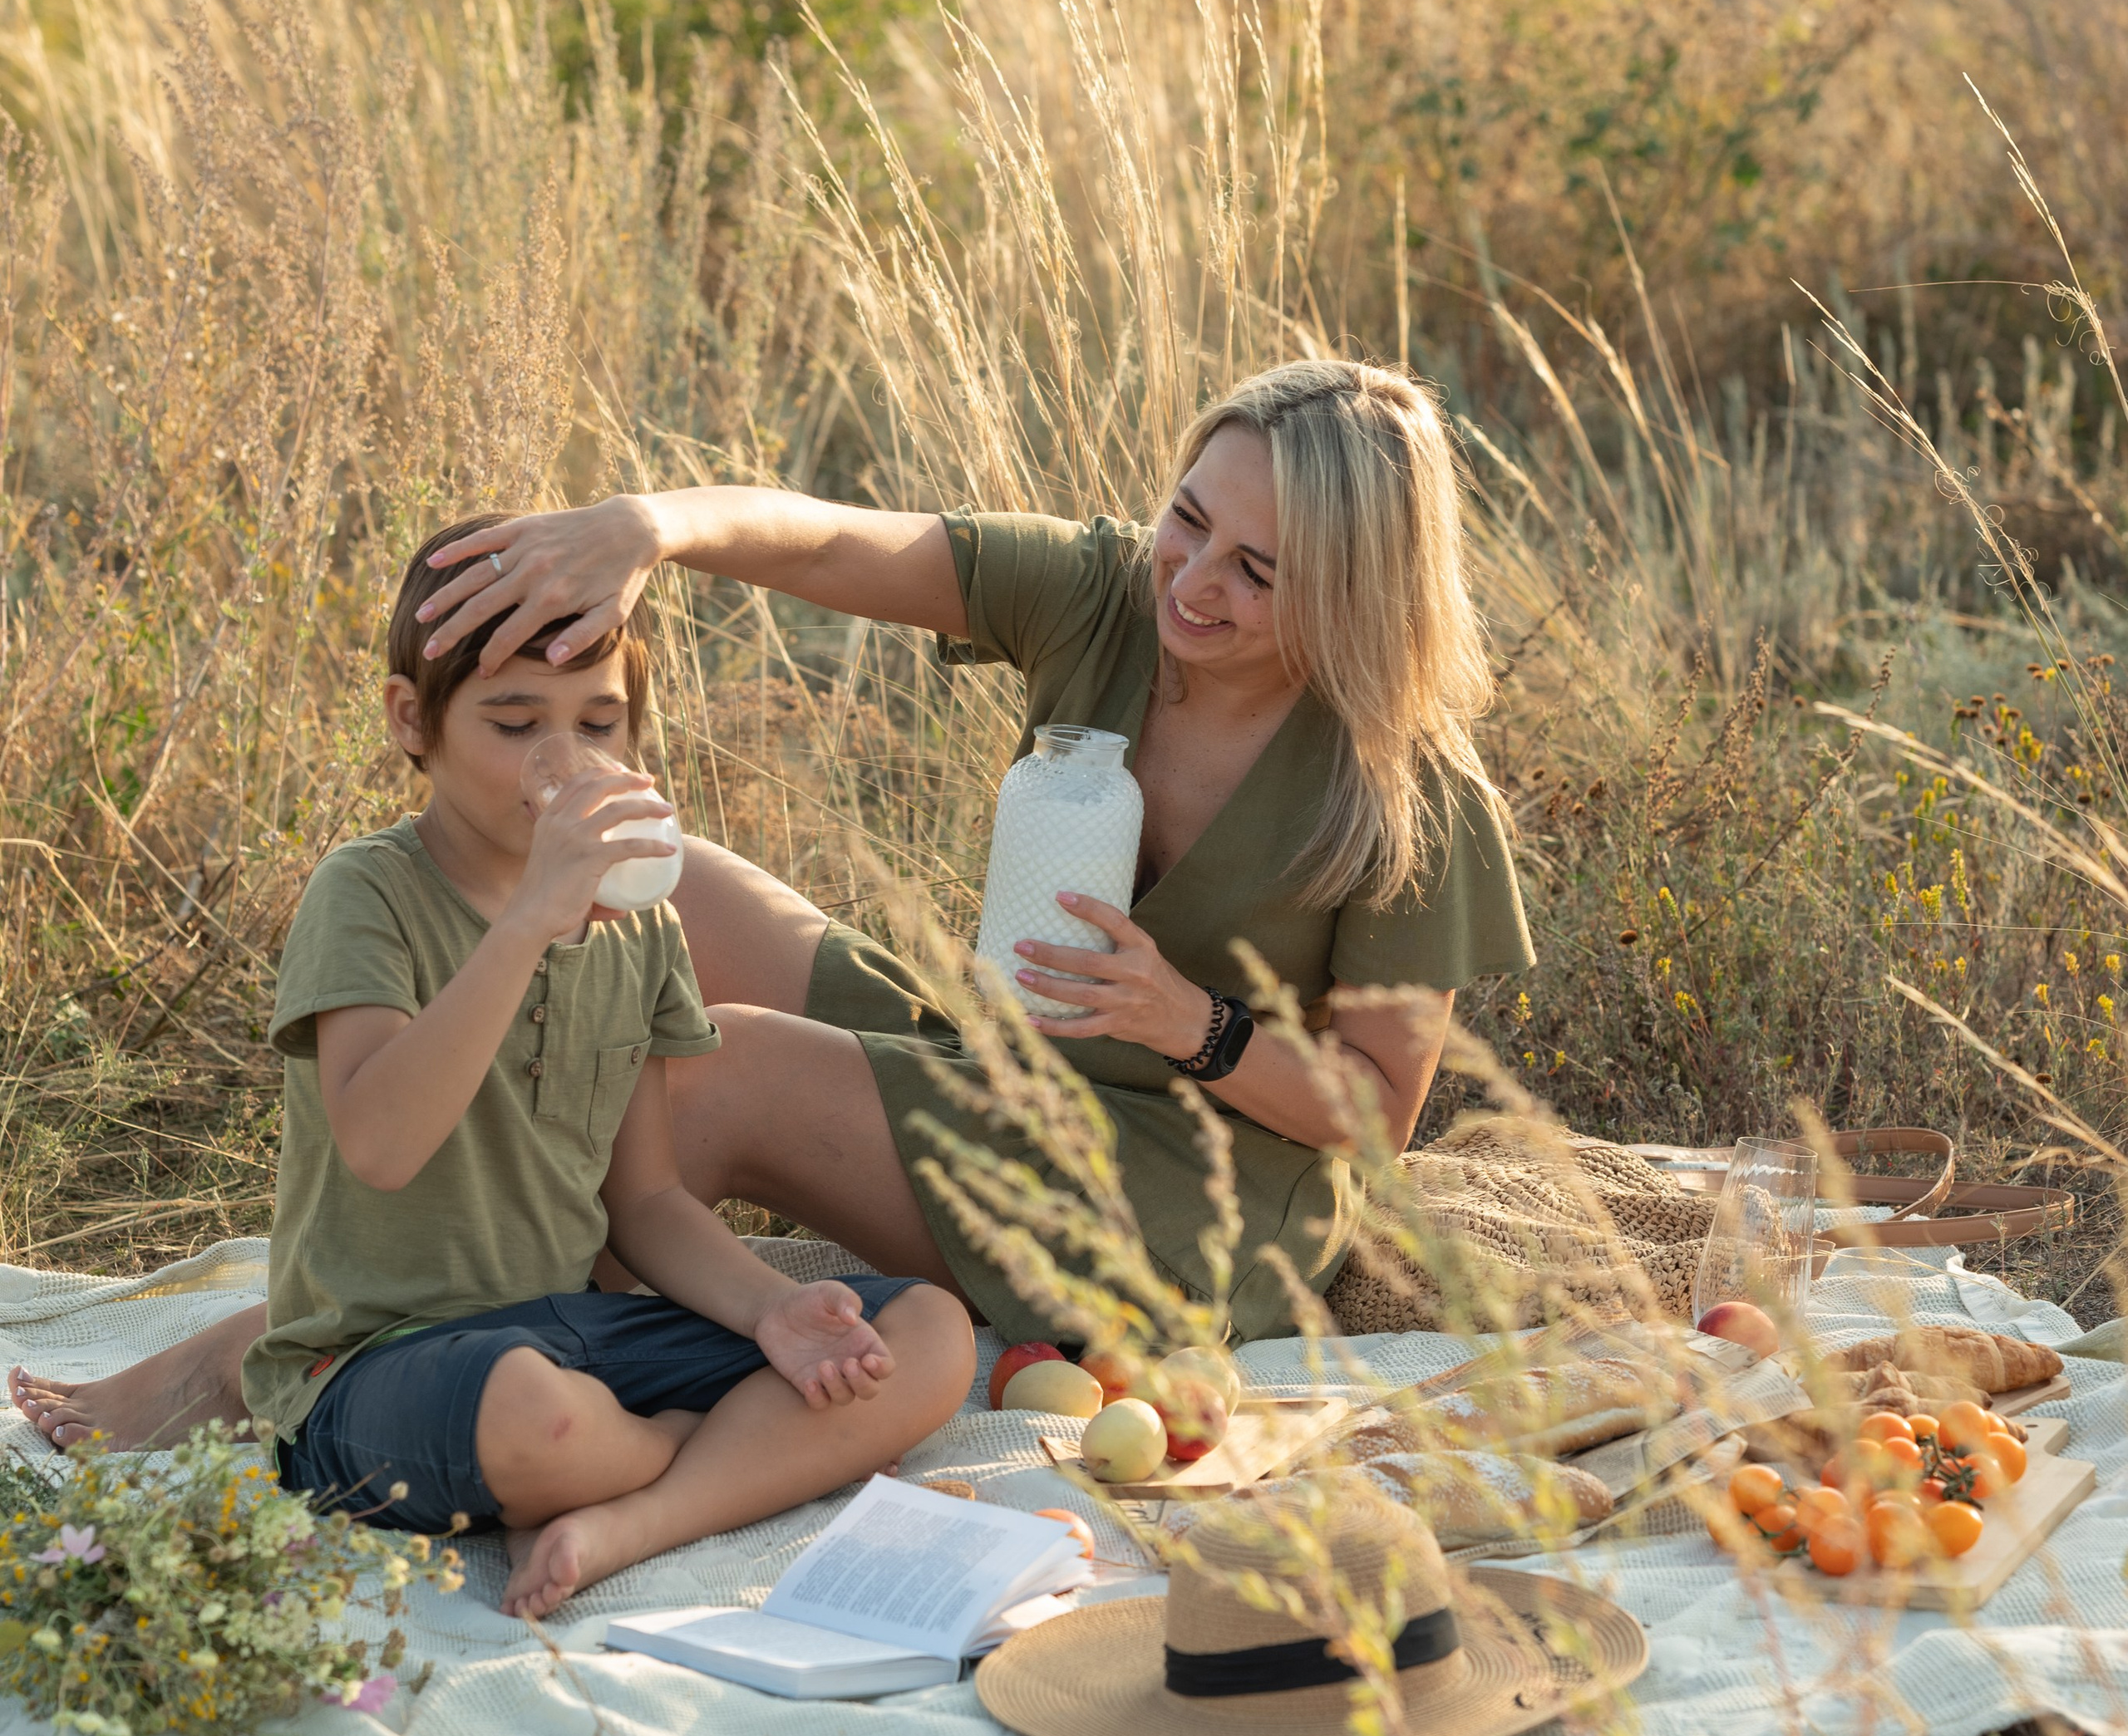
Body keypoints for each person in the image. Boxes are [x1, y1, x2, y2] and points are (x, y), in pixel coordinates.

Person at [13, 358, 1527, 1455]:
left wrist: (1184, 1021)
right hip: (1016, 1062)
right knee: (684, 904)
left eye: (1257, 569)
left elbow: (1375, 1116)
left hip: (1190, 1192)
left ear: (1355, 588)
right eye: (1187, 518)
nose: (1193, 580)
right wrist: (649, 526)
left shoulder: (1405, 791)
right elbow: (824, 539)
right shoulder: (1103, 595)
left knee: (705, 1068)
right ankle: (431, 1260)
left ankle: (295, 1352)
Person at [11, 522, 975, 1617]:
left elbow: (647, 1199)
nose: (561, 756)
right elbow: (379, 1143)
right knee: (538, 1421)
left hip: (569, 1328)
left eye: (598, 723)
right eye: (516, 723)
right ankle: (721, 1454)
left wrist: (769, 1317)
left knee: (926, 1339)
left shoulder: (635, 928)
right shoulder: (367, 894)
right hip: (374, 1364)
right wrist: (525, 924)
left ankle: (631, 1516)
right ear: (412, 721)